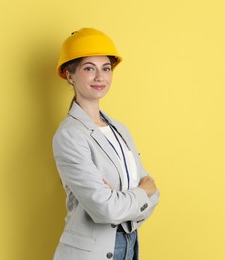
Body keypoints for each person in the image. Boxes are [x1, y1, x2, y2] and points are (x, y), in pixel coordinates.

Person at [52, 28, 160, 260]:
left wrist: (124, 199)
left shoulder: (120, 129)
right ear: (70, 75)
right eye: (89, 68)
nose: (100, 77)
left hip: (129, 245)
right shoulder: (70, 135)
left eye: (106, 68)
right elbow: (107, 208)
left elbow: (155, 193)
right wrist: (141, 192)